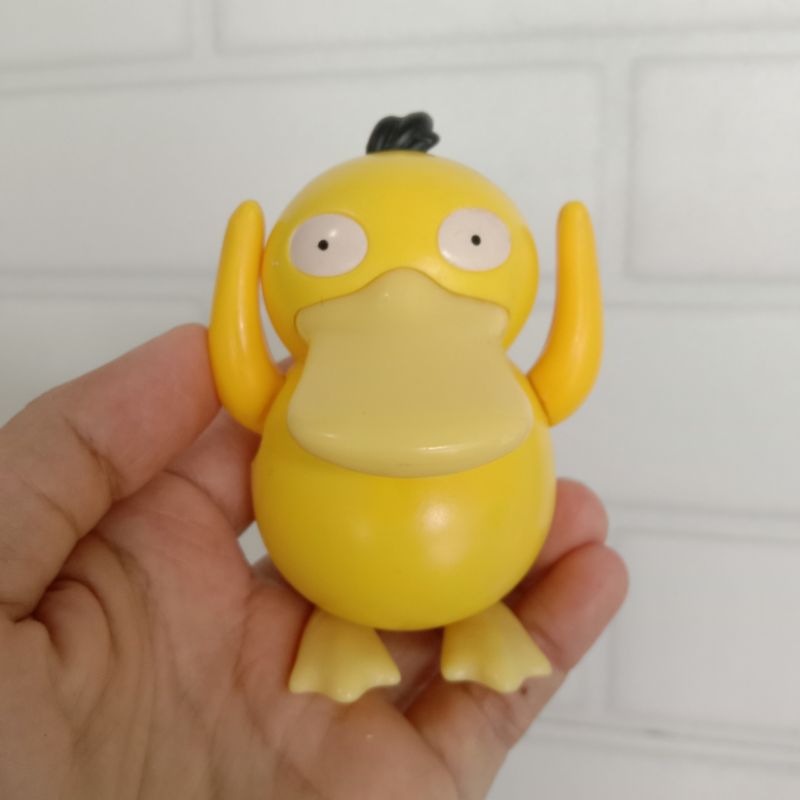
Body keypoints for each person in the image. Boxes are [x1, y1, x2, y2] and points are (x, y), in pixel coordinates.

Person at [0, 325, 628, 799]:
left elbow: (563, 378)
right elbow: (246, 387)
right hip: (329, 580)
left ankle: (475, 617)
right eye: (327, 248)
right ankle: (342, 625)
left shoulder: (495, 379)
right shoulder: (303, 385)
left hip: (485, 574)